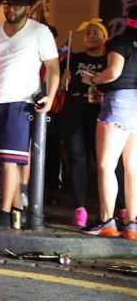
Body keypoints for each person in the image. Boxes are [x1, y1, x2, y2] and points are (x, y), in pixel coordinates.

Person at [0, 0, 60, 230]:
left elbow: (52, 67)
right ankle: (17, 211)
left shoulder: (39, 32)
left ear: (28, 8)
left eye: (16, 6)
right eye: (7, 5)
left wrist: (51, 96)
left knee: (10, 161)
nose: (11, 10)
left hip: (22, 102)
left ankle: (4, 212)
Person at [81, 8, 137, 240]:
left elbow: (113, 72)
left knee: (106, 165)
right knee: (132, 168)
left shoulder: (120, 41)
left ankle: (106, 221)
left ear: (127, 21)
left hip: (119, 104)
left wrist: (92, 79)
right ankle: (132, 224)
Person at [60, 19, 108, 227]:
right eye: (88, 32)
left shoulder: (110, 59)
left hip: (101, 111)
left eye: (96, 32)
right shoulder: (74, 58)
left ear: (105, 37)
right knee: (77, 160)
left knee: (105, 163)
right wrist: (63, 80)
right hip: (75, 111)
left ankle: (112, 209)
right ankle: (80, 209)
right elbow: (60, 85)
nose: (91, 35)